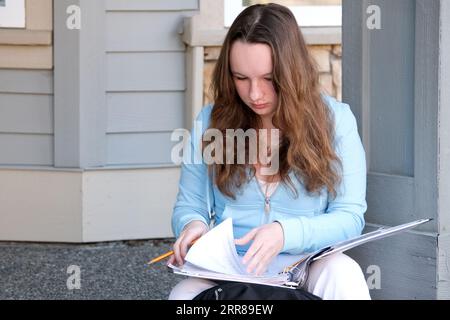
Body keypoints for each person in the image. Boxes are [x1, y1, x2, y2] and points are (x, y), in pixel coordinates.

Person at [168, 3, 371, 300]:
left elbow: (350, 217)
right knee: (183, 298)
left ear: (292, 72)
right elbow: (190, 205)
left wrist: (285, 233)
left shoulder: (336, 121)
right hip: (232, 266)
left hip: (307, 263)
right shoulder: (210, 122)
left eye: (268, 78)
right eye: (241, 78)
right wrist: (193, 226)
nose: (255, 94)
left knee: (344, 274)